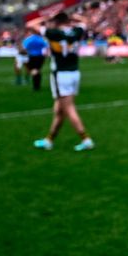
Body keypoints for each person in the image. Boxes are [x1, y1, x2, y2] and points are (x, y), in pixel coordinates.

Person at [32, 11, 95, 152]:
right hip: (74, 72)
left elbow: (30, 25)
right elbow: (86, 21)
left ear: (56, 21)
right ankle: (49, 140)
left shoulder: (54, 33)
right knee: (59, 110)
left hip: (61, 73)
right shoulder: (76, 31)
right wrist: (75, 17)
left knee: (69, 108)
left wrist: (46, 17)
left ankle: (85, 139)